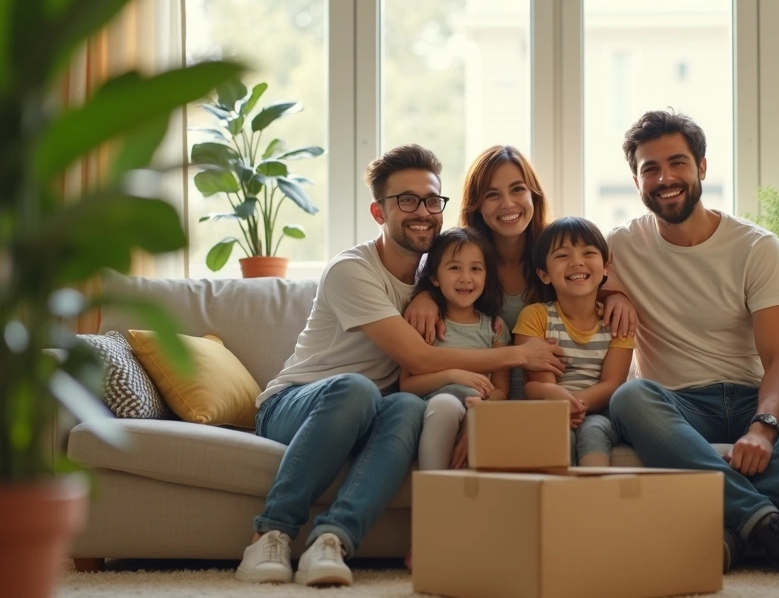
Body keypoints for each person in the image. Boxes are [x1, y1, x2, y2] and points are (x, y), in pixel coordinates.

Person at [235, 144, 564, 587]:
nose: (422, 212)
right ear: (378, 211)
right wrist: (518, 354)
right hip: (297, 404)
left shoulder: (437, 274)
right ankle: (270, 532)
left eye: (431, 200)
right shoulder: (352, 270)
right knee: (356, 388)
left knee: (407, 408)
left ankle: (331, 540)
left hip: (376, 410)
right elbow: (420, 358)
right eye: (406, 201)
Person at [605, 111, 779, 578]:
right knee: (630, 397)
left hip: (755, 396)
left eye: (678, 163)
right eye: (651, 168)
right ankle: (771, 527)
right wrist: (610, 290)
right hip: (679, 405)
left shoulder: (755, 246)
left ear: (702, 168)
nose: (665, 178)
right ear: (636, 181)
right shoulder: (619, 247)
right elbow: (564, 275)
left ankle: (744, 528)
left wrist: (763, 428)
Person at [404, 145, 637, 399]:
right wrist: (426, 295)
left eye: (517, 189)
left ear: (533, 196)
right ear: (477, 205)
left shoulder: (556, 252)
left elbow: (589, 284)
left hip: (546, 400)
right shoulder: (464, 262)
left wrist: (617, 297)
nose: (507, 203)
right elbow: (438, 283)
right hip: (479, 398)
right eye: (492, 195)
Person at [514, 217, 634, 466]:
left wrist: (575, 406)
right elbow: (536, 385)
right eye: (562, 256)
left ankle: (593, 497)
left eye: (588, 252)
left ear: (605, 267)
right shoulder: (535, 316)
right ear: (544, 274)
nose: (577, 262)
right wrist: (559, 405)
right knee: (556, 431)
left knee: (594, 431)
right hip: (550, 407)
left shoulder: (617, 320)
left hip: (600, 411)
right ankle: (558, 499)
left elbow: (613, 383)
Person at [401, 227, 511, 472]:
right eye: (454, 268)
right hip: (432, 408)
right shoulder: (426, 322)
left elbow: (501, 391)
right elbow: (406, 385)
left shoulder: (494, 327)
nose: (465, 278)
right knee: (445, 405)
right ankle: (435, 494)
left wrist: (480, 412)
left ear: (486, 276)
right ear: (435, 277)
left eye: (476, 268)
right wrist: (453, 375)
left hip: (478, 407)